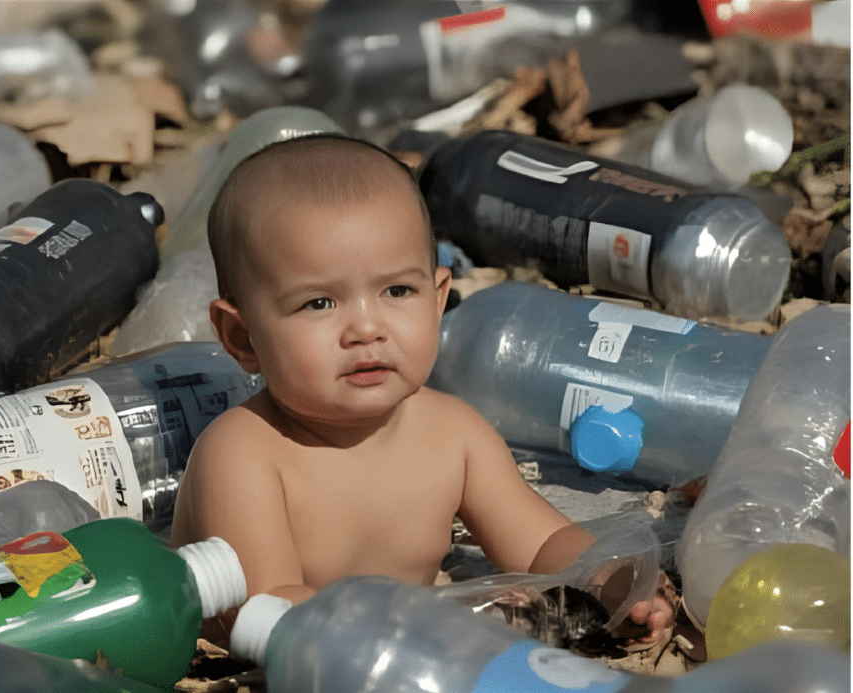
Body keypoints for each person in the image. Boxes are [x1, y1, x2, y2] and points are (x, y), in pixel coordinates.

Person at [169, 133, 675, 646]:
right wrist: (440, 626)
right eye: (318, 303)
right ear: (241, 336)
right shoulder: (243, 452)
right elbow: (269, 610)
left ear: (438, 300)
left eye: (396, 291)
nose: (366, 329)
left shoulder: (453, 434)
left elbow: (541, 541)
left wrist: (607, 581)